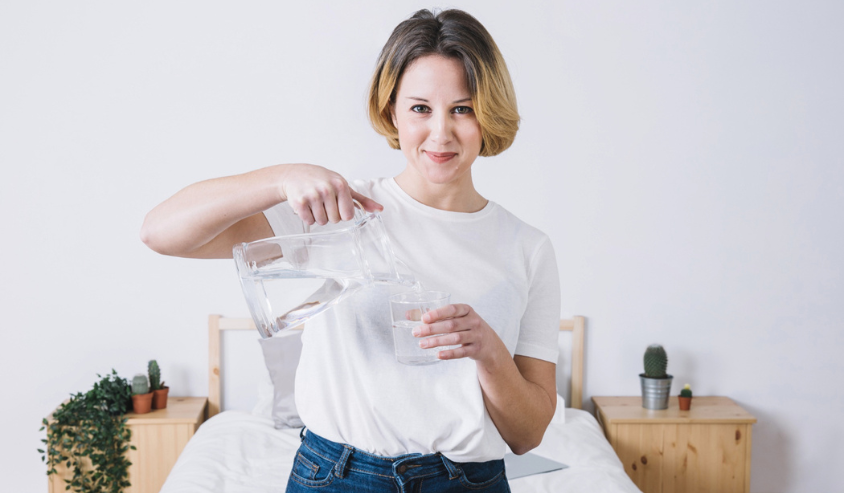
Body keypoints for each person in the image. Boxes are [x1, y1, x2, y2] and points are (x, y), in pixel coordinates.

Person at [141, 8, 561, 493]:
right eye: (420, 108)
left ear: (488, 114)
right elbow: (161, 232)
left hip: (468, 483)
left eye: (462, 109)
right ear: (392, 112)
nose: (441, 133)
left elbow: (528, 435)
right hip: (335, 478)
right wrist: (280, 178)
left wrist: (488, 351)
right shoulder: (337, 213)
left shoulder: (527, 248)